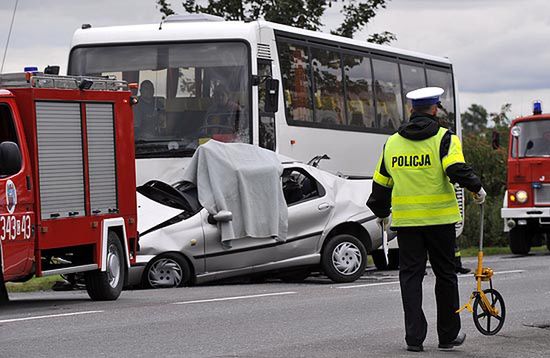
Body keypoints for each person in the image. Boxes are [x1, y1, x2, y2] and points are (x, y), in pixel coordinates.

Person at [367, 87, 486, 352]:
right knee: (445, 275)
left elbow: (381, 185)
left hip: (408, 224)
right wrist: (477, 189)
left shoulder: (392, 143)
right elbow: (455, 169)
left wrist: (382, 213)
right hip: (440, 221)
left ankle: (414, 339)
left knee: (410, 278)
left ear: (411, 109)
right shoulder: (445, 138)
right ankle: (447, 336)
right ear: (434, 109)